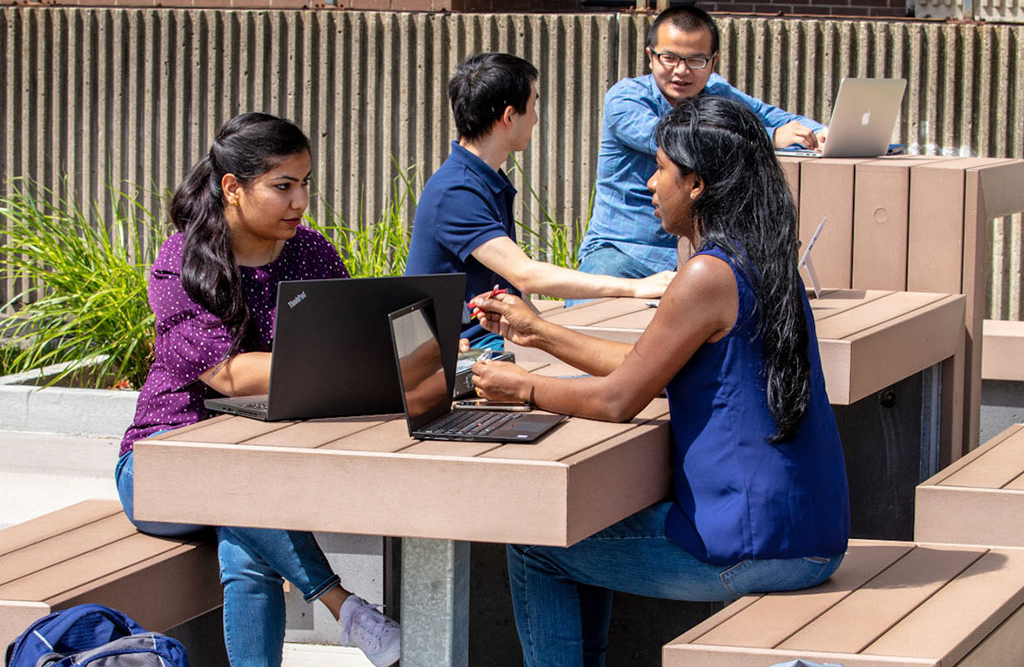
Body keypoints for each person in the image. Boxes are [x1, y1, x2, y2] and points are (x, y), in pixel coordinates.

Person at [468, 95, 850, 667]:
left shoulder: (706, 275)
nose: (650, 183)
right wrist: (540, 333)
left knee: (539, 542)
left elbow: (619, 399)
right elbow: (648, 366)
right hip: (813, 537)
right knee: (579, 528)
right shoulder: (764, 262)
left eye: (662, 169)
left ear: (696, 184)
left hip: (751, 551)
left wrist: (521, 387)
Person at [116, 113, 400, 667]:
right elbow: (227, 374)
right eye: (283, 186)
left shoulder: (309, 252)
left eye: (306, 183)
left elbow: (351, 330)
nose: (301, 201)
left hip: (265, 462)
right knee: (242, 492)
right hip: (160, 464)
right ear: (233, 188)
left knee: (245, 546)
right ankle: (344, 607)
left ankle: (348, 615)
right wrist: (351, 354)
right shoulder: (184, 262)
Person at [405, 52, 675, 348]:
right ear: (509, 116)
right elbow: (526, 275)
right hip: (466, 351)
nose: (535, 119)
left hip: (495, 340)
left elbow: (512, 289)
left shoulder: (482, 178)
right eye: (533, 106)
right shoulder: (456, 191)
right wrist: (637, 287)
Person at [576, 5, 827, 281]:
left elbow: (774, 117)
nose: (681, 71)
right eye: (669, 58)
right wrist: (771, 137)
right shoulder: (625, 98)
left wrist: (821, 132)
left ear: (713, 61)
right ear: (650, 56)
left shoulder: (716, 91)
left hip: (701, 253)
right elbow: (678, 140)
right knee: (589, 315)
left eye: (696, 60)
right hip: (623, 252)